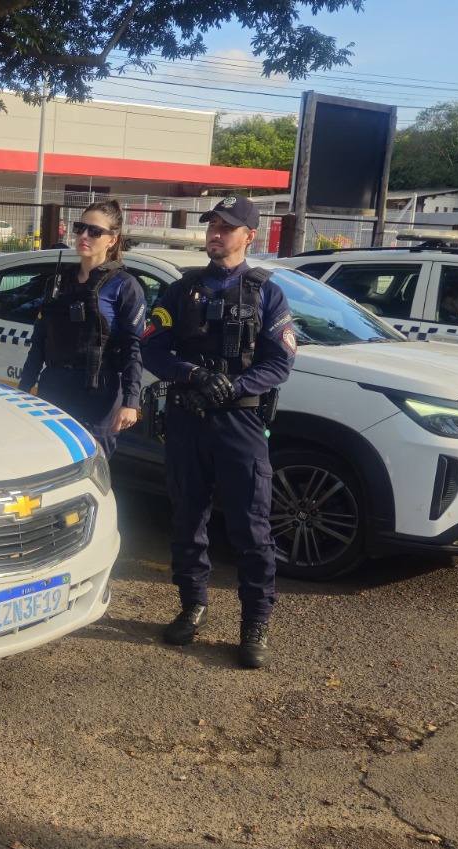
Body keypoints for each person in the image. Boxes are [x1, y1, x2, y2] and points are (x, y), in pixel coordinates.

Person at [141, 195, 296, 669]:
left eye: (227, 227)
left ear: (249, 235)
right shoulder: (180, 290)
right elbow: (152, 350)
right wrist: (193, 375)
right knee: (188, 519)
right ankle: (192, 605)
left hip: (240, 422)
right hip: (188, 418)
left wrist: (233, 386)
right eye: (212, 225)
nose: (215, 233)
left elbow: (281, 361)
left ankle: (255, 624)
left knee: (251, 528)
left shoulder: (268, 292)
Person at [17, 199, 148, 457]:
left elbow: (134, 348)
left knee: (92, 467)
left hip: (98, 393)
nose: (83, 236)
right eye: (80, 228)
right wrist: (24, 390)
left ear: (112, 240)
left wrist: (131, 401)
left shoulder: (125, 285)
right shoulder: (59, 281)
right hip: (54, 388)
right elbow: (40, 343)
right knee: (47, 461)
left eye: (94, 231)